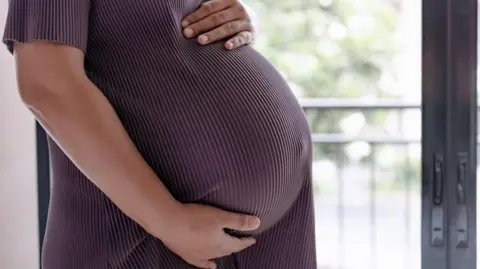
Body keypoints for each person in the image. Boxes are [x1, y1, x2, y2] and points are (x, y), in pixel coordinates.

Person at [2, 0, 317, 268]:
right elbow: (47, 85)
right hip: (141, 239)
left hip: (268, 234)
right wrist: (168, 221)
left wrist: (238, 18)